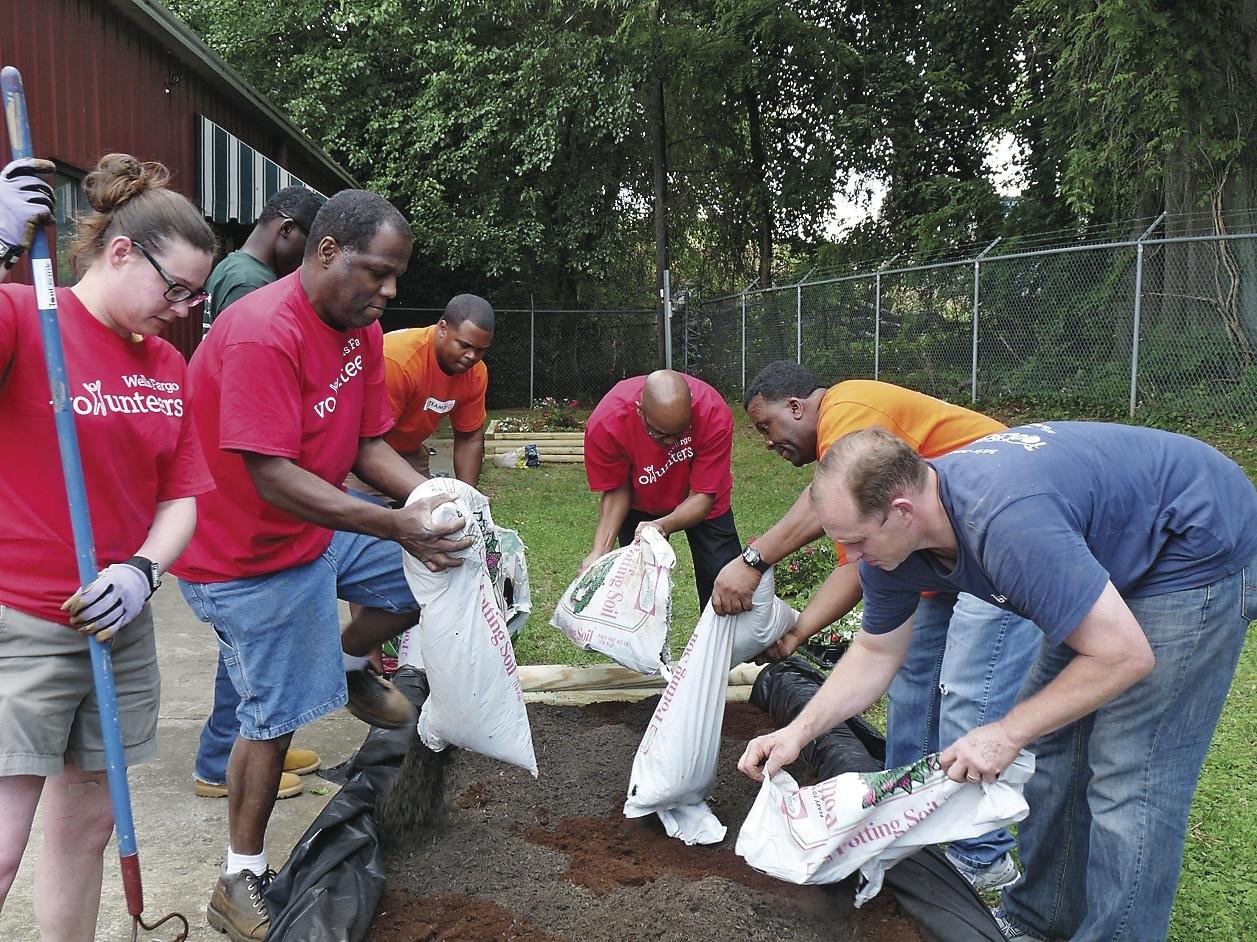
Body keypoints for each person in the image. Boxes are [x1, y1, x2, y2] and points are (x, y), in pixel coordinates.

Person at [740, 423, 1257, 942]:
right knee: (1054, 746)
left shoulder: (1006, 525)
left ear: (901, 511)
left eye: (855, 540)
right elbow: (876, 653)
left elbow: (1122, 655)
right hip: (1097, 549)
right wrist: (799, 732)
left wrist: (1005, 733)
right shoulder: (890, 549)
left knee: (1129, 776)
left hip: (1193, 542)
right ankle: (1041, 919)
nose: (849, 557)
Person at [172, 189, 472, 942]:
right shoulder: (259, 334)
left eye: (397, 276)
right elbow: (271, 473)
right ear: (328, 252)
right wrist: (392, 522)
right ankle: (239, 875)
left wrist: (445, 503)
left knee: (420, 577)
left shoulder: (358, 327)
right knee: (271, 719)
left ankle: (345, 666)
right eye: (379, 273)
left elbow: (369, 446)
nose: (390, 292)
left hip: (311, 529)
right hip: (238, 556)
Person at [711, 361, 1041, 888]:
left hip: (998, 535)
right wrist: (796, 635)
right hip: (932, 550)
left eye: (766, 426)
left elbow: (833, 527)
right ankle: (902, 826)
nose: (768, 443)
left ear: (796, 406)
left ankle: (982, 861)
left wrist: (753, 561)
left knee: (970, 691)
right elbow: (863, 569)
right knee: (911, 681)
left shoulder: (848, 413)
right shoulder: (868, 508)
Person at [0, 154, 216, 939]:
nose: (186, 309)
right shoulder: (25, 315)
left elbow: (181, 497)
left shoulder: (165, 363)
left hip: (115, 623)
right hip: (21, 621)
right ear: (121, 251)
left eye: (196, 295)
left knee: (85, 829)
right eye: (177, 289)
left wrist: (140, 569)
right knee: (1, 845)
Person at [193, 185, 326, 802]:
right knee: (249, 636)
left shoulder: (241, 274)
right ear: (287, 230)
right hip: (235, 501)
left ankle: (251, 735)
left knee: (250, 645)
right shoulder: (251, 289)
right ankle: (224, 757)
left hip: (247, 496)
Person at [581, 369, 739, 610]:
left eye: (679, 433)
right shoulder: (607, 422)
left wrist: (663, 525)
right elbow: (616, 489)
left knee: (724, 584)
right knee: (639, 594)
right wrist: (599, 551)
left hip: (700, 500)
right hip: (639, 502)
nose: (670, 443)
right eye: (660, 433)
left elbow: (704, 495)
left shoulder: (712, 412)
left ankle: (723, 645)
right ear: (639, 410)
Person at [383, 293, 494, 484]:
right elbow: (368, 443)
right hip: (357, 452)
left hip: (409, 451)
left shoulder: (475, 373)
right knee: (373, 511)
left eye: (481, 349)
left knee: (441, 509)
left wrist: (466, 497)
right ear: (443, 329)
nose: (472, 356)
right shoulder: (398, 362)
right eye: (465, 345)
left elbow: (469, 438)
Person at [201, 185, 323, 331]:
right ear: (287, 229)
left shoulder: (229, 266)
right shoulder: (252, 284)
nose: (309, 256)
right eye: (310, 244)